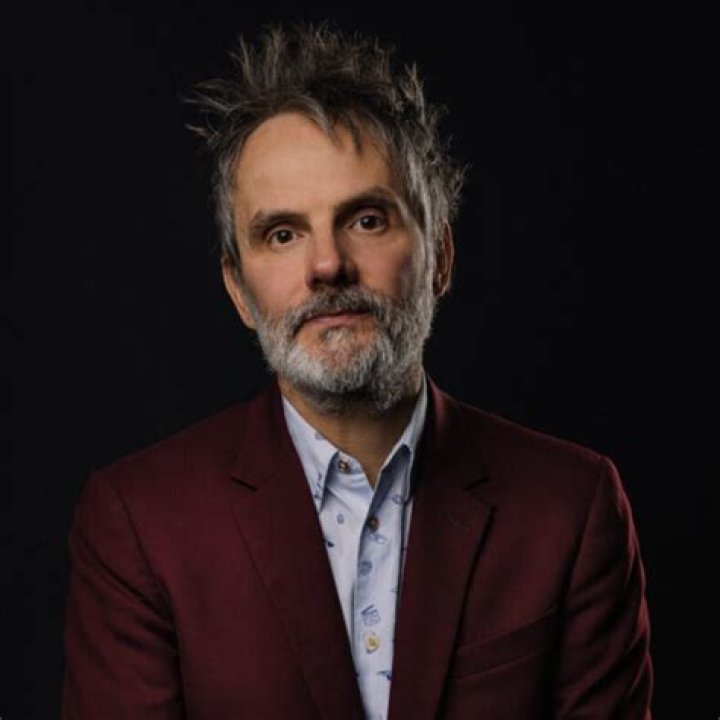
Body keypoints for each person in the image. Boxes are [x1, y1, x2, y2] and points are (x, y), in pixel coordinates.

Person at [61, 23, 653, 719]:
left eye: (367, 220)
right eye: (282, 234)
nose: (327, 265)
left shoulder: (571, 508)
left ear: (439, 256)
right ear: (238, 290)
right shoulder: (140, 523)